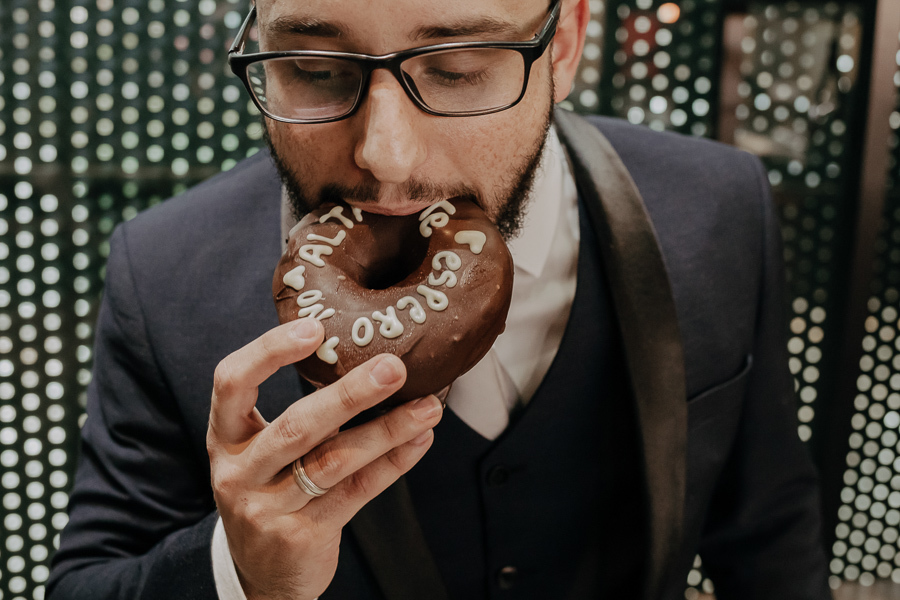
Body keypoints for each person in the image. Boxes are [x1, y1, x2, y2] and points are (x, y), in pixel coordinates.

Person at [47, 0, 833, 598]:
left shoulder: (718, 206)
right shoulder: (164, 271)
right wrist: (236, 569)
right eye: (316, 69)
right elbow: (86, 580)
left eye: (458, 68)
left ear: (561, 48)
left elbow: (770, 527)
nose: (384, 155)